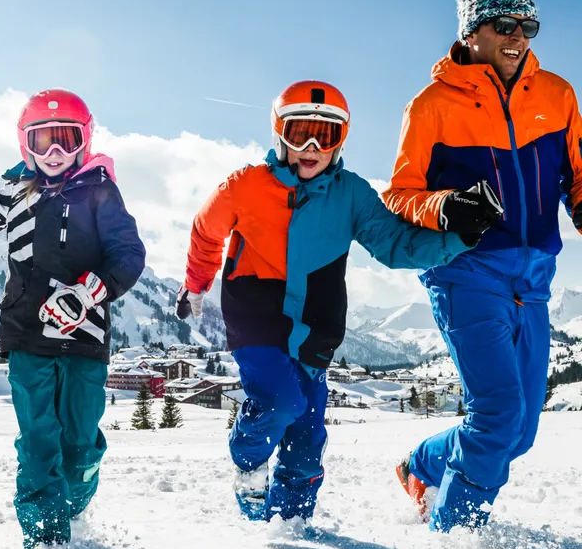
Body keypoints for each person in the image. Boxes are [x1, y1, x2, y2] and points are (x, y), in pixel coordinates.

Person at [178, 80, 482, 523]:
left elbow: (394, 244)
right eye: (300, 132)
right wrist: (197, 282)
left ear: (341, 141)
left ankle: (291, 525)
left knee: (307, 437)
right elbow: (206, 232)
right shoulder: (246, 185)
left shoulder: (351, 194)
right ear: (280, 133)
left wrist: (460, 235)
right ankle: (249, 461)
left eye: (328, 134)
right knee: (281, 401)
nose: (313, 145)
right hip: (256, 319)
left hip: (315, 326)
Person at [382, 0, 582, 532]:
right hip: (464, 271)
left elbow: (578, 177)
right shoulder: (431, 105)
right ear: (474, 30)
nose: (518, 37)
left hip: (534, 278)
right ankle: (454, 545)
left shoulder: (558, 95)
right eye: (505, 25)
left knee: (518, 433)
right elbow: (400, 195)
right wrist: (445, 207)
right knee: (496, 419)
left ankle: (421, 462)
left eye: (528, 27)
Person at [0, 90, 145, 549]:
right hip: (28, 335)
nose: (54, 153)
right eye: (42, 141)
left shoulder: (100, 192)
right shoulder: (14, 190)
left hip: (85, 339)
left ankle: (73, 507)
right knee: (38, 441)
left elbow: (130, 256)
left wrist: (87, 294)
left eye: (65, 141)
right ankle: (46, 543)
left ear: (83, 142)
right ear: (25, 144)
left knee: (80, 443)